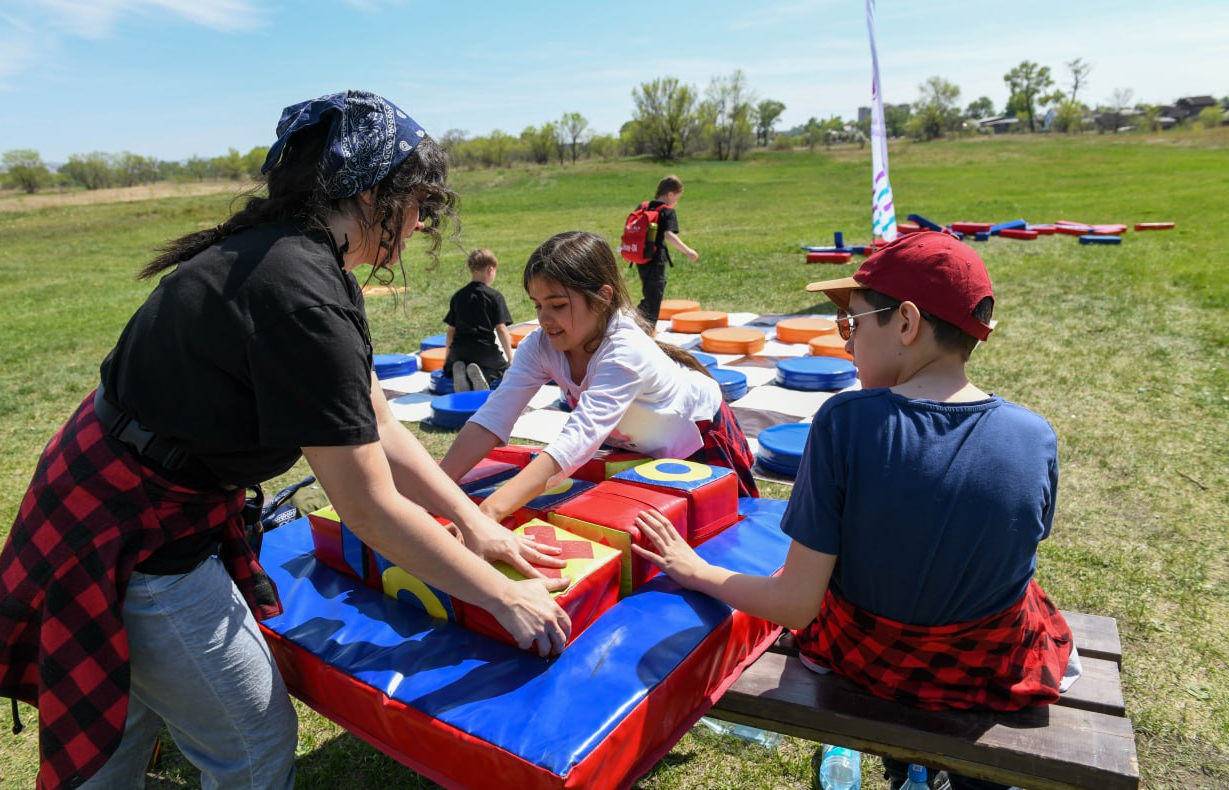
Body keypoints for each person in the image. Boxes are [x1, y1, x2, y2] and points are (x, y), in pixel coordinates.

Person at [0, 90, 571, 790]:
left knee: (121, 725)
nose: (421, 223)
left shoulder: (300, 261)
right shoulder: (300, 292)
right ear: (375, 192)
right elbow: (367, 508)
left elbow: (380, 426)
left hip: (108, 488)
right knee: (251, 743)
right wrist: (503, 596)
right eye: (420, 203)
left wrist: (473, 526)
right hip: (136, 532)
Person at [631, 232, 1078, 790]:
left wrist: (695, 569)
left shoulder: (844, 422)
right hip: (988, 668)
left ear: (908, 323)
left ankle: (906, 770)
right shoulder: (1036, 435)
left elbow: (794, 606)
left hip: (871, 664)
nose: (846, 344)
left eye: (854, 324)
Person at [439, 230, 757, 523]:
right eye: (537, 305)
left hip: (699, 434)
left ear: (603, 297)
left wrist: (486, 514)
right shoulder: (540, 346)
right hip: (639, 441)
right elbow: (494, 417)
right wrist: (437, 487)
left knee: (720, 528)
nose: (544, 319)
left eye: (558, 305)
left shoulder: (624, 349)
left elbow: (578, 440)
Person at [443, 248, 514, 391]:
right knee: (502, 370)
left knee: (449, 368)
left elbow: (451, 331)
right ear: (490, 270)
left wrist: (448, 358)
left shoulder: (458, 296)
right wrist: (510, 358)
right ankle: (484, 376)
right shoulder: (495, 296)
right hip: (484, 351)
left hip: (459, 351)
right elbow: (501, 329)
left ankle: (461, 373)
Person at [634, 175, 698, 328]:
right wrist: (688, 251)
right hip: (655, 260)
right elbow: (668, 235)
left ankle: (636, 323)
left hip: (639, 258)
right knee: (654, 299)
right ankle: (645, 330)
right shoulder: (666, 211)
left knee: (649, 294)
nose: (676, 202)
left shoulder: (643, 206)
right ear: (670, 194)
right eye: (677, 198)